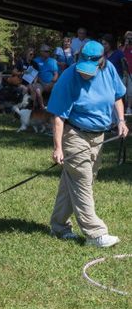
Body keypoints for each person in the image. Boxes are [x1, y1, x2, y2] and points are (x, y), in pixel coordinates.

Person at [47, 40, 128, 247]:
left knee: (77, 180)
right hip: (74, 134)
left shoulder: (108, 69)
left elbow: (118, 96)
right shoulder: (69, 77)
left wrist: (121, 121)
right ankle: (95, 234)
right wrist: (57, 147)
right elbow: (58, 116)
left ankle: (58, 226)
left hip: (98, 136)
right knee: (82, 180)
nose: (85, 72)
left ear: (101, 62)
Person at [31, 44, 58, 109]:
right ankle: (42, 107)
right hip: (40, 82)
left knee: (59, 89)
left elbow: (56, 74)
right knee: (37, 90)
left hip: (51, 83)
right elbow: (34, 75)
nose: (48, 52)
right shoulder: (35, 61)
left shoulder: (53, 61)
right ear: (41, 52)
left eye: (49, 51)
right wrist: (43, 84)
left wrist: (51, 84)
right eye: (46, 51)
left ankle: (56, 108)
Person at [120, 30, 132, 114]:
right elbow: (120, 55)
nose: (129, 39)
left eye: (131, 38)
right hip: (123, 72)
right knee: (122, 90)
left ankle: (129, 108)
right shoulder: (121, 47)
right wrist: (125, 45)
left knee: (130, 91)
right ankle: (121, 107)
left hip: (131, 72)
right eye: (128, 38)